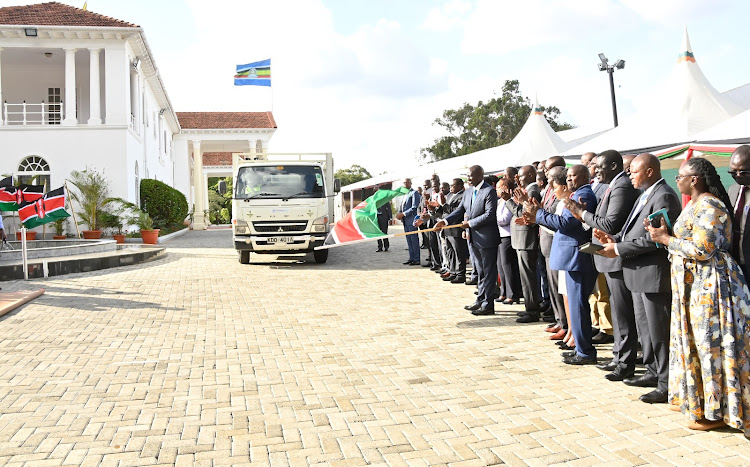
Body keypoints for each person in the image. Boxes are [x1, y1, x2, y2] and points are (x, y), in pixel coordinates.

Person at [646, 157, 750, 435]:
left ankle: (716, 411)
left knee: (710, 346)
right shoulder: (694, 204)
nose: (676, 180)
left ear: (694, 179)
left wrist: (666, 240)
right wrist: (665, 235)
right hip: (695, 287)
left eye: (680, 175)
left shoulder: (710, 206)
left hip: (712, 288)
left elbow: (704, 248)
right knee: (696, 344)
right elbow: (687, 243)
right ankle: (700, 403)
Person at [594, 153, 681, 403]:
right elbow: (633, 231)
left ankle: (666, 384)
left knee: (659, 332)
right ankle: (653, 372)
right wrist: (615, 240)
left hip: (653, 274)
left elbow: (654, 240)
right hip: (638, 274)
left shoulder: (663, 195)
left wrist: (619, 249)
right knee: (646, 331)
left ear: (650, 171)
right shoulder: (645, 193)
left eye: (634, 170)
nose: (630, 174)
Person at [565, 150, 640, 381]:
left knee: (622, 313)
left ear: (615, 166)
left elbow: (610, 222)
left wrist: (581, 213)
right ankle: (619, 356)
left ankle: (625, 360)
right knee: (618, 313)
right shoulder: (612, 185)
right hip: (607, 256)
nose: (595, 171)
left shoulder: (621, 186)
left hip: (617, 256)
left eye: (599, 167)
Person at [522, 165, 598, 363]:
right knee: (575, 305)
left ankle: (585, 352)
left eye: (574, 176)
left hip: (577, 257)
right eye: (569, 176)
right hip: (571, 256)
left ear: (584, 177)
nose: (570, 180)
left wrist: (538, 214)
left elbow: (567, 224)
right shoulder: (576, 193)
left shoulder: (584, 195)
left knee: (578, 306)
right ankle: (581, 348)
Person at [436, 165, 500, 315]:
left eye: (471, 175)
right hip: (473, 238)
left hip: (487, 239)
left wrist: (470, 223)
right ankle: (480, 300)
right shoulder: (468, 191)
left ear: (480, 175)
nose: (468, 178)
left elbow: (490, 214)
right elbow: (460, 211)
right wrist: (445, 222)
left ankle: (488, 304)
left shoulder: (489, 190)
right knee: (480, 271)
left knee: (488, 273)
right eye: (467, 176)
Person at [502, 165, 543, 323]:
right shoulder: (526, 191)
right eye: (517, 176)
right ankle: (530, 306)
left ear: (531, 175)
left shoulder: (532, 192)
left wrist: (508, 201)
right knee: (526, 277)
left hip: (527, 240)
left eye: (521, 175)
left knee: (529, 278)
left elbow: (524, 214)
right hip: (521, 240)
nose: (517, 178)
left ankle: (532, 310)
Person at [540, 165, 570, 340]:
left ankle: (566, 325)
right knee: (555, 287)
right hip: (549, 244)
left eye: (550, 174)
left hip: (559, 246)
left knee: (563, 290)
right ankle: (561, 322)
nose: (547, 177)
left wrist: (537, 215)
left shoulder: (566, 197)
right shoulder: (549, 192)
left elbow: (558, 221)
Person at [495, 178, 521, 304]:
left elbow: (505, 219)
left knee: (508, 265)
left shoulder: (509, 200)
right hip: (499, 235)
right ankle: (503, 292)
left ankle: (513, 294)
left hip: (508, 236)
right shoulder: (500, 201)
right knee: (501, 265)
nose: (497, 190)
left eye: (499, 187)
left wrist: (493, 220)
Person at [437, 179, 468, 283]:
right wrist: (438, 206)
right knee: (450, 251)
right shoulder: (450, 195)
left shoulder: (463, 196)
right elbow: (444, 211)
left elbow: (456, 212)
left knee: (458, 252)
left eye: (453, 185)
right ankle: (453, 271)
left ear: (460, 186)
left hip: (456, 227)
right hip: (447, 228)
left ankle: (460, 274)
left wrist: (444, 204)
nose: (451, 188)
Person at [728, 144, 750, 280]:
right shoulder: (733, 190)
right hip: (735, 264)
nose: (738, 176)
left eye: (743, 172)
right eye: (733, 172)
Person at [396, 178, 421, 265]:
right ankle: (411, 257)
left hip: (411, 219)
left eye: (407, 183)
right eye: (404, 183)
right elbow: (402, 206)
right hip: (405, 221)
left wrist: (403, 214)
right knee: (409, 240)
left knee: (414, 240)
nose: (405, 184)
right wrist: (399, 213)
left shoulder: (414, 193)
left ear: (411, 183)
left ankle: (417, 259)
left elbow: (414, 207)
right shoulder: (404, 194)